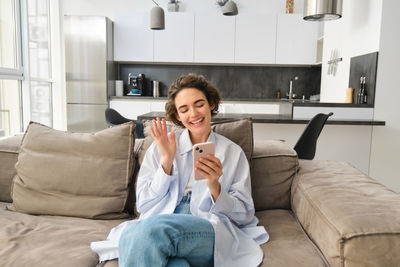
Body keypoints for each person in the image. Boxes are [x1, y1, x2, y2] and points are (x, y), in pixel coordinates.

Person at [91, 73, 269, 267]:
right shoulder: (162, 147)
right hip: (162, 221)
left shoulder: (232, 153)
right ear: (177, 116)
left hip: (207, 227)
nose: (193, 114)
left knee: (141, 234)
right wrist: (166, 162)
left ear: (211, 104)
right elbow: (143, 204)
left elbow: (244, 215)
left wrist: (215, 187)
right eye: (184, 109)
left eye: (199, 104)